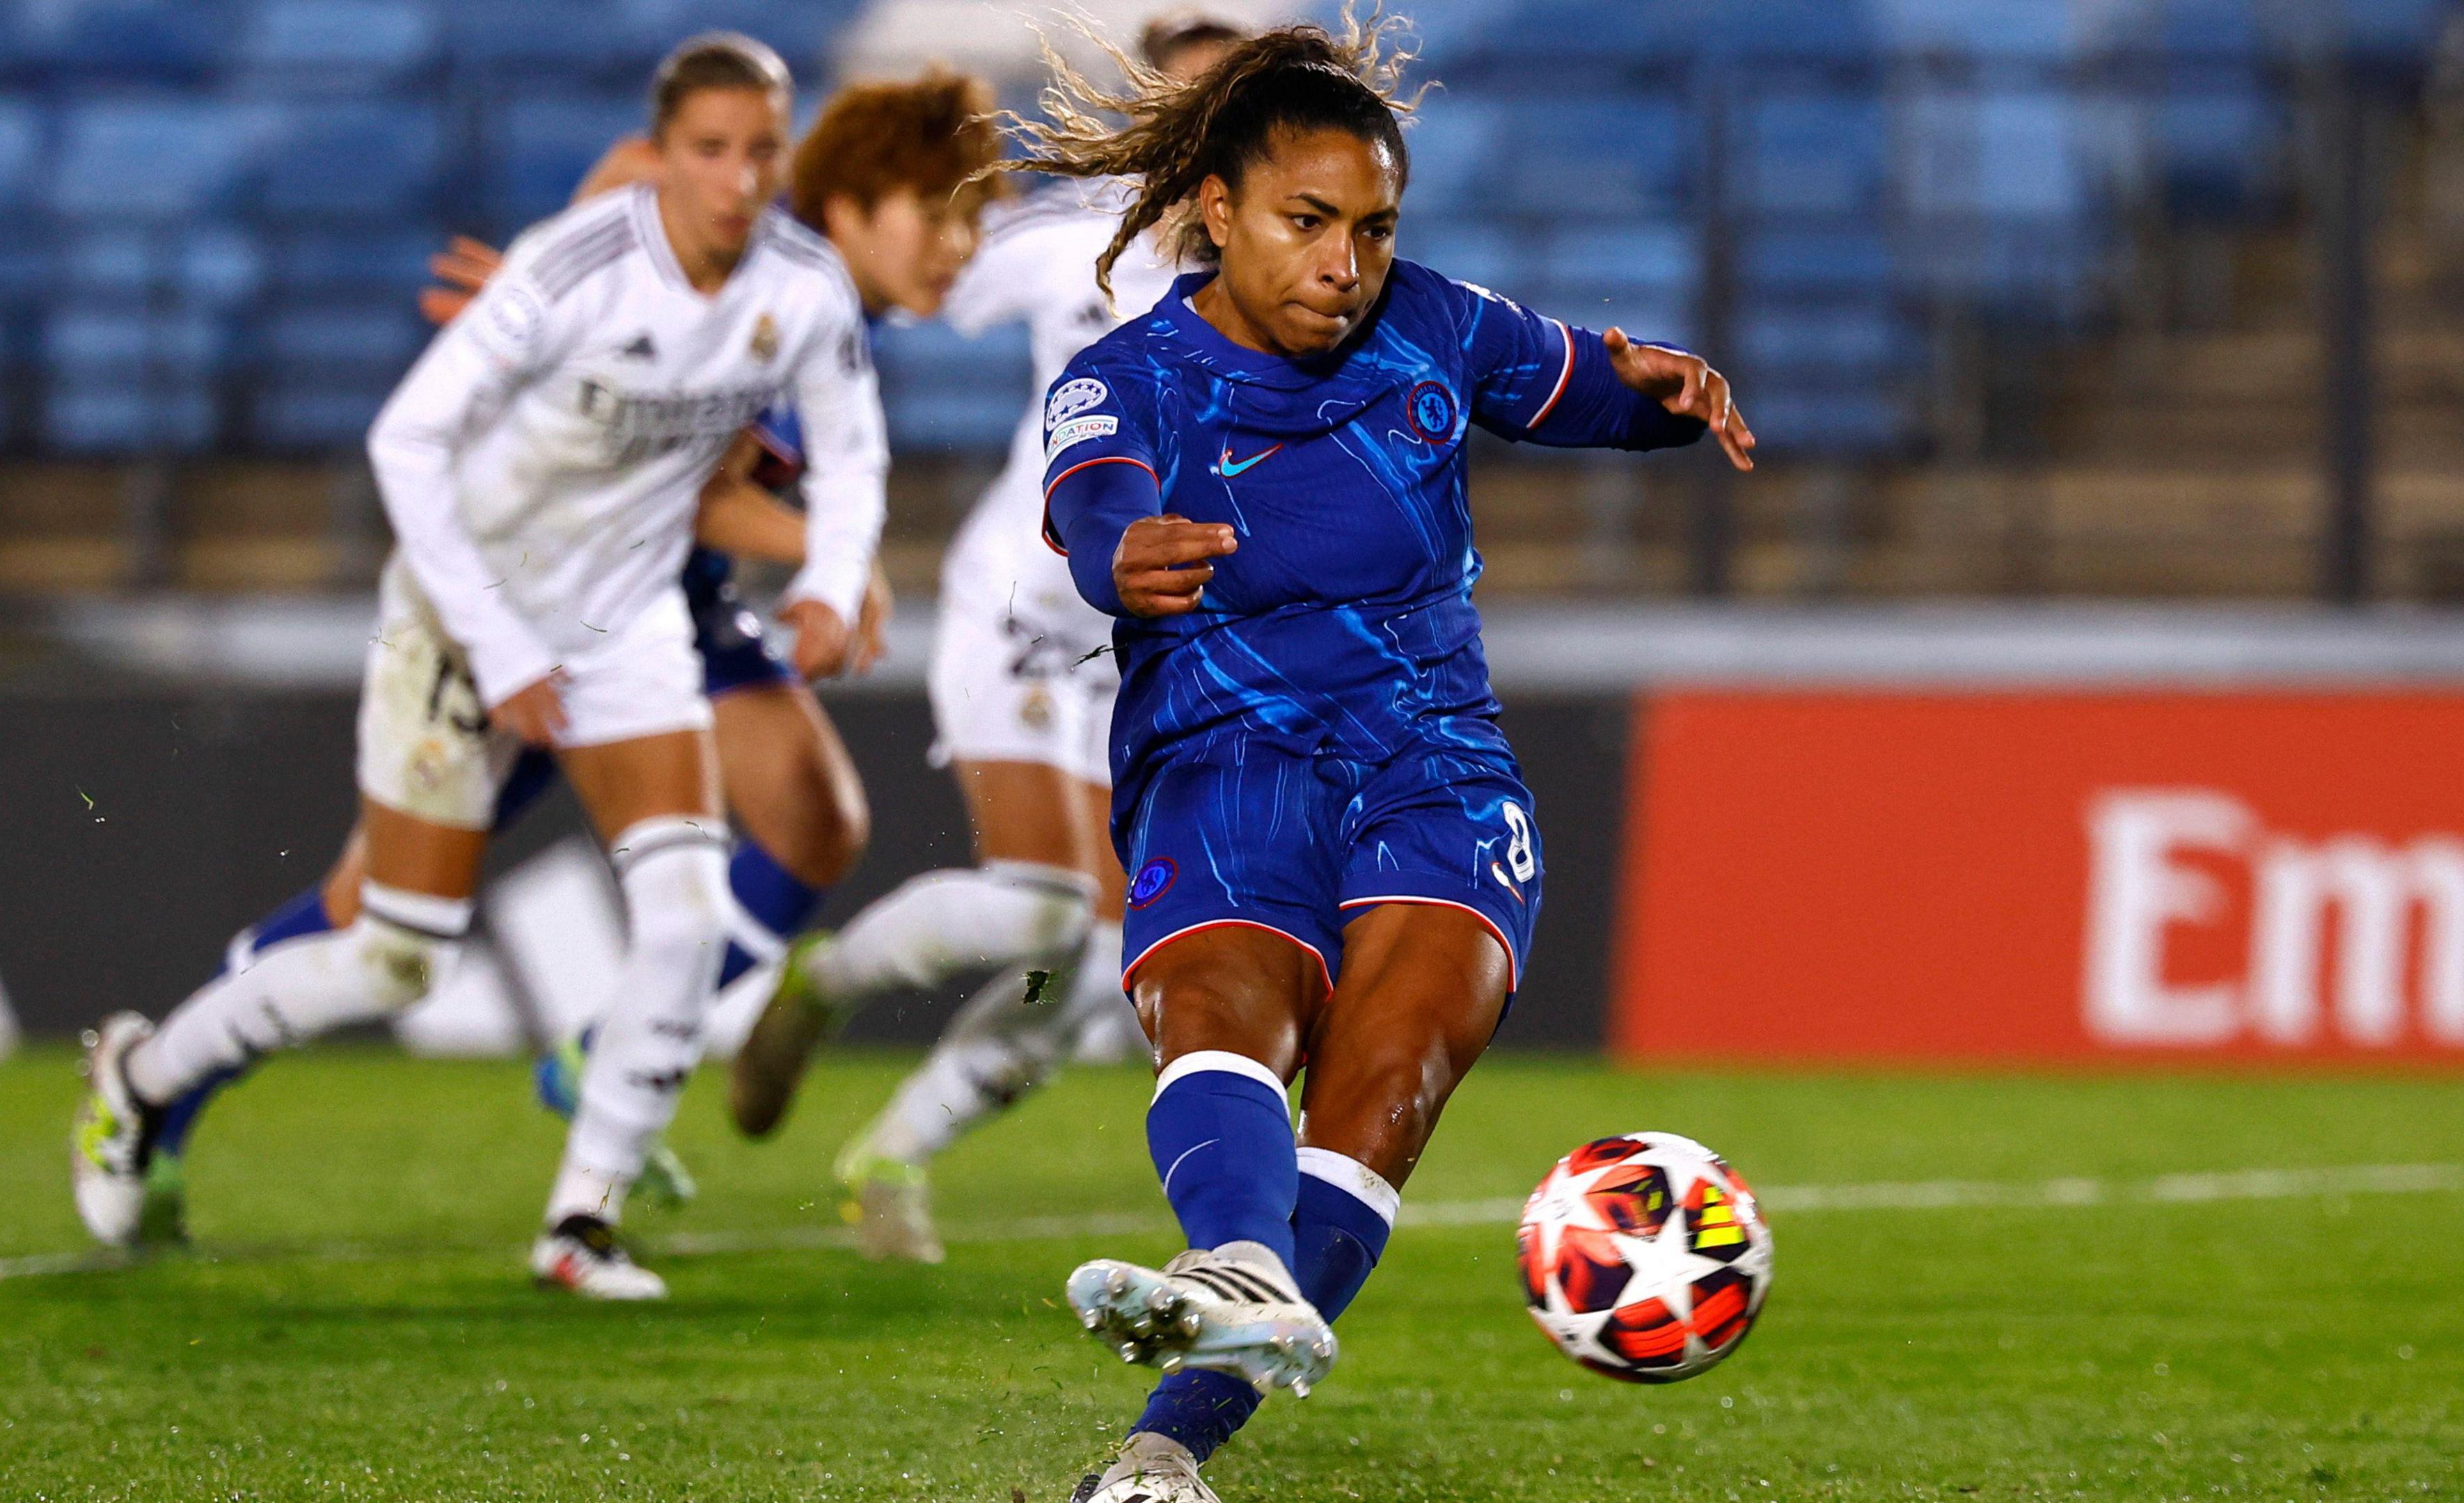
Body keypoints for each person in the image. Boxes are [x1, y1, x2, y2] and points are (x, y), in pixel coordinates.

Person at [1011, 15, 1755, 1501]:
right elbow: (1092, 503)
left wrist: (1662, 388)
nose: (1344, 261)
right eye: (1308, 223)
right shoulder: (1126, 377)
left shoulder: (1435, 322)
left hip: (1434, 765)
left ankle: (1163, 1456)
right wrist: (1120, 553)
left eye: (1371, 226)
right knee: (1228, 1007)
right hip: (1225, 751)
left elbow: (1581, 383)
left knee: (1387, 1086)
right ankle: (1233, 1262)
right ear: (1215, 211)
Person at [111, 71, 1004, 1249]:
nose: (960, 248)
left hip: (660, 606)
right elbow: (630, 253)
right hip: (543, 599)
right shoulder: (722, 240)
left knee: (813, 817)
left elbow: (712, 477)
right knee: (374, 922)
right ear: (849, 202)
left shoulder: (819, 317)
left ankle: (600, 1076)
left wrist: (835, 557)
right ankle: (162, 1091)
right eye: (939, 214)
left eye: (973, 221)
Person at [725, 8, 1251, 1266]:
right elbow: (890, 267)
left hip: (1150, 653)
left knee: (1086, 962)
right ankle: (823, 982)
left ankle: (892, 1154)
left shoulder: (1290, 293)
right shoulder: (1073, 245)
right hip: (1024, 614)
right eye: (1180, 111)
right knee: (1042, 912)